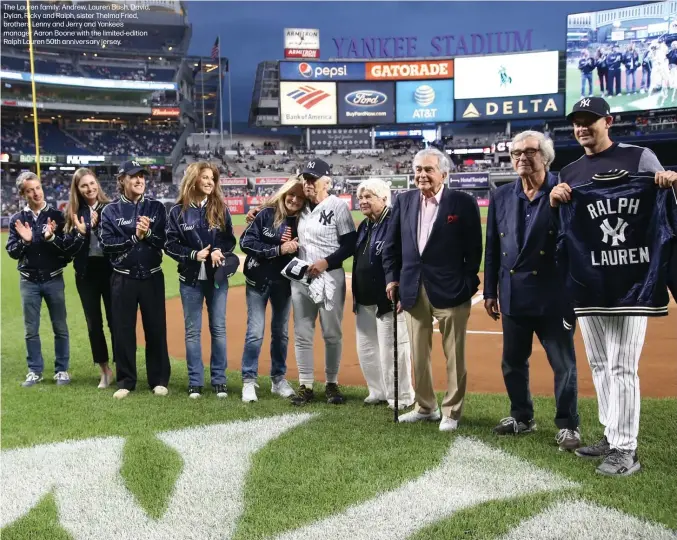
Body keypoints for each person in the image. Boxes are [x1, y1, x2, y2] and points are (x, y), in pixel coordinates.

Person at [551, 98, 677, 476]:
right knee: (600, 363)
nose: (582, 128)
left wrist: (668, 184)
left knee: (623, 365)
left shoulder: (641, 157)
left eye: (590, 121)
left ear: (608, 121)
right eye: (577, 122)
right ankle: (611, 433)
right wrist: (556, 200)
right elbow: (564, 231)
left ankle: (626, 449)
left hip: (632, 282)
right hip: (589, 282)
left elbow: (664, 215)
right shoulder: (569, 172)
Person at [484, 131, 580, 451]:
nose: (522, 157)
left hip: (554, 294)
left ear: (545, 157)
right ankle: (522, 416)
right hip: (512, 293)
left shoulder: (564, 187)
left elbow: (575, 237)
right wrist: (489, 292)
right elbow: (493, 248)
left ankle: (568, 424)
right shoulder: (501, 195)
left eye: (529, 151)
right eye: (515, 153)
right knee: (512, 361)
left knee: (563, 363)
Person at [382, 147, 483, 431]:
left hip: (452, 290)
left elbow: (474, 250)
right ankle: (425, 406)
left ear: (444, 174)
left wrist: (466, 282)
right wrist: (392, 279)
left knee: (455, 354)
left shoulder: (462, 202)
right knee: (418, 353)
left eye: (428, 170)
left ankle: (452, 411)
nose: (422, 175)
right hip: (413, 289)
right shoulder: (404, 201)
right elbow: (391, 246)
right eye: (418, 170)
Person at [165, 162, 238, 399]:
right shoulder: (177, 211)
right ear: (193, 179)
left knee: (218, 329)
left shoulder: (220, 208)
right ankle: (195, 382)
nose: (209, 182)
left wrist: (218, 250)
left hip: (217, 278)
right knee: (192, 332)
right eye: (204, 177)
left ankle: (219, 381)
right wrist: (192, 255)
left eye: (212, 178)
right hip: (190, 278)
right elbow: (170, 244)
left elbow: (230, 240)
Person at [99, 161, 171, 399]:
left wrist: (148, 234)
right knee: (123, 331)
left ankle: (159, 380)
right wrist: (134, 237)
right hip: (123, 278)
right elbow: (106, 245)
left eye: (142, 176)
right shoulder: (110, 211)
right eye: (134, 176)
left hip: (151, 276)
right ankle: (126, 381)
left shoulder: (157, 208)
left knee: (156, 329)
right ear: (122, 180)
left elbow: (165, 241)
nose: (139, 180)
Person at [289, 158, 357, 406]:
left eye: (313, 179)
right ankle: (305, 384)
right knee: (302, 333)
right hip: (302, 278)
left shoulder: (337, 206)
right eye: (305, 178)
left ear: (326, 182)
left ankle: (331, 382)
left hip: (330, 277)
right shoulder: (298, 207)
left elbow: (350, 243)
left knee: (331, 333)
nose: (308, 183)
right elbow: (273, 212)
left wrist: (327, 262)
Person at [238, 177, 305, 402]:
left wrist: (291, 250)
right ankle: (249, 381)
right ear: (284, 193)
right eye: (291, 194)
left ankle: (278, 379)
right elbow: (246, 243)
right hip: (257, 281)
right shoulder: (266, 214)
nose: (294, 200)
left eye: (299, 197)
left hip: (284, 284)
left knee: (281, 333)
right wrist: (277, 249)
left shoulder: (305, 221)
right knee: (255, 333)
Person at [353, 178, 415, 410]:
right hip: (364, 298)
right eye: (361, 197)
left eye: (369, 196)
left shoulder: (395, 222)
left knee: (393, 349)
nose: (363, 201)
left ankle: (402, 395)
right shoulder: (364, 226)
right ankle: (377, 390)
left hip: (388, 297)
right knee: (367, 348)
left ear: (384, 198)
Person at [6, 172, 71, 387]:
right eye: (30, 190)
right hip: (29, 281)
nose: (36, 193)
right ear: (23, 194)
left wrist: (51, 238)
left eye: (38, 188)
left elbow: (66, 251)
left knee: (60, 327)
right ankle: (35, 370)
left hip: (53, 279)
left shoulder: (57, 216)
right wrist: (25, 241)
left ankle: (61, 370)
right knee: (31, 330)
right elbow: (12, 252)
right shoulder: (17, 219)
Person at [62, 168, 115, 389]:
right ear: (78, 189)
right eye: (84, 185)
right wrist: (81, 233)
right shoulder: (73, 212)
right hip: (86, 273)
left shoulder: (110, 208)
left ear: (97, 184)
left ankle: (122, 365)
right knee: (94, 324)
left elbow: (116, 240)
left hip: (110, 270)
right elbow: (67, 250)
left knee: (116, 322)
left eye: (92, 183)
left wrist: (98, 227)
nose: (89, 188)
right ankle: (104, 370)